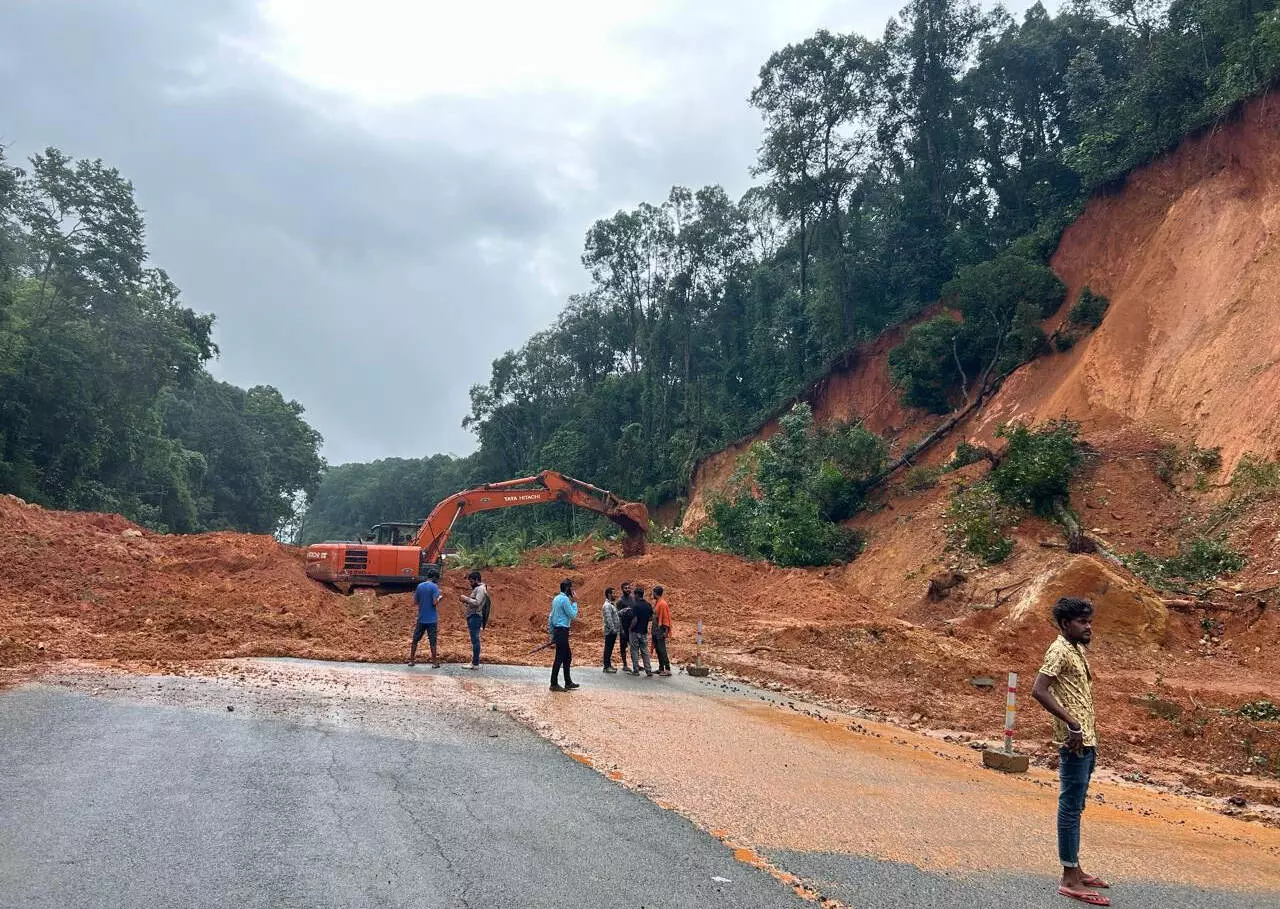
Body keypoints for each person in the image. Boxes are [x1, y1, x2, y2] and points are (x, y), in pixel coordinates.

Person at [1032, 597, 1110, 907]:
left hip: (1086, 739)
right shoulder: (1059, 651)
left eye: (1089, 621)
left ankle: (1075, 868)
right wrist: (1072, 724)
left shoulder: (1076, 649)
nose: (1089, 627)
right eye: (1082, 622)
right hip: (1074, 741)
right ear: (1066, 624)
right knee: (1069, 807)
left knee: (1076, 806)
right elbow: (1039, 689)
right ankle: (1068, 879)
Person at [548, 578, 580, 691]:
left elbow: (551, 617)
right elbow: (573, 615)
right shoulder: (565, 599)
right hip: (562, 631)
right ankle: (554, 683)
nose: (572, 590)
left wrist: (552, 633)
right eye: (571, 588)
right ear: (567, 588)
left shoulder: (556, 599)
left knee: (567, 656)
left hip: (558, 630)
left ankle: (568, 682)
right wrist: (574, 602)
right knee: (559, 657)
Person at [408, 566, 442, 668]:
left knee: (415, 640)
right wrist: (439, 598)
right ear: (434, 577)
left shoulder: (419, 586)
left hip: (421, 618)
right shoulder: (434, 587)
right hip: (431, 619)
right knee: (432, 641)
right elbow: (434, 602)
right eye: (437, 578)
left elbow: (415, 602)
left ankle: (411, 661)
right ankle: (434, 663)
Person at [460, 570, 489, 670]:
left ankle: (475, 663)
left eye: (472, 581)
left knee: (475, 640)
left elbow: (477, 602)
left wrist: (466, 598)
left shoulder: (481, 589)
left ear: (477, 580)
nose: (470, 583)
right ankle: (474, 662)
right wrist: (466, 602)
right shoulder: (479, 588)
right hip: (473, 615)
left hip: (475, 616)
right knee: (474, 640)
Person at [627, 585, 654, 677]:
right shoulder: (648, 605)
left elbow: (635, 619)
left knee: (634, 651)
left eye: (634, 595)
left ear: (637, 595)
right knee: (644, 651)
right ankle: (648, 670)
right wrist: (644, 621)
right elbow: (651, 617)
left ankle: (636, 670)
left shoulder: (635, 606)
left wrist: (630, 628)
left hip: (635, 631)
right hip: (644, 632)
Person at [651, 585, 673, 676]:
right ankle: (661, 668)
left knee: (662, 649)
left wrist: (665, 632)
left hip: (660, 631)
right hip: (656, 630)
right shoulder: (657, 602)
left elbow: (665, 619)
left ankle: (667, 669)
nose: (652, 594)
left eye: (653, 592)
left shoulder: (662, 604)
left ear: (656, 593)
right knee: (658, 650)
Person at [616, 581, 635, 673]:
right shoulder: (620, 601)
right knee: (623, 647)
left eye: (629, 588)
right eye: (626, 588)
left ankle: (636, 663)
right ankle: (625, 664)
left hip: (632, 627)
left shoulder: (633, 599)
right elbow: (618, 616)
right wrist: (621, 629)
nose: (628, 589)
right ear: (622, 590)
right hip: (624, 627)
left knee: (634, 646)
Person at [602, 587, 621, 673]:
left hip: (613, 631)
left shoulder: (611, 604)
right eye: (613, 593)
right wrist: (613, 629)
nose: (615, 595)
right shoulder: (607, 606)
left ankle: (608, 665)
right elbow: (608, 619)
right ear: (609, 594)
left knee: (610, 648)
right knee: (608, 648)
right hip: (610, 631)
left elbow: (614, 616)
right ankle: (606, 667)